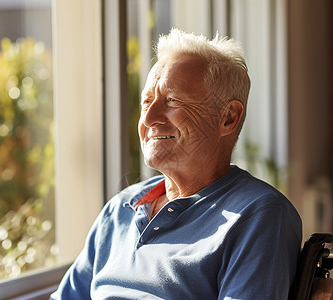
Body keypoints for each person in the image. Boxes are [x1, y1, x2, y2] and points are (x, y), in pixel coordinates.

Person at [51, 28, 302, 299]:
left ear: (228, 117)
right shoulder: (119, 210)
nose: (148, 119)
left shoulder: (258, 214)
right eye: (146, 102)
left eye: (172, 100)